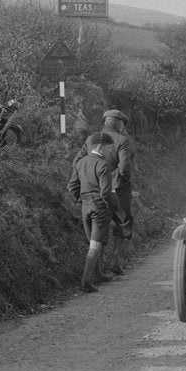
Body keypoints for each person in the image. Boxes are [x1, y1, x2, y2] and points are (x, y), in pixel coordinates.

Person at [74, 108, 135, 275]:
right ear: (120, 124)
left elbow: (77, 161)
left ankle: (99, 267)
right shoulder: (122, 140)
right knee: (123, 221)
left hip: (93, 190)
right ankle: (115, 260)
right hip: (117, 189)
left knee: (98, 228)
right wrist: (120, 181)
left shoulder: (91, 140)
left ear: (106, 123)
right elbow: (124, 168)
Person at [68, 132, 119, 292]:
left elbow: (72, 187)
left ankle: (99, 273)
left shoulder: (80, 162)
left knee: (93, 243)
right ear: (101, 146)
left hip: (85, 206)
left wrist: (82, 199)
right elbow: (106, 193)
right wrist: (116, 206)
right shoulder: (103, 165)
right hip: (99, 208)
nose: (110, 151)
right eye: (109, 147)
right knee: (95, 245)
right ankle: (86, 282)